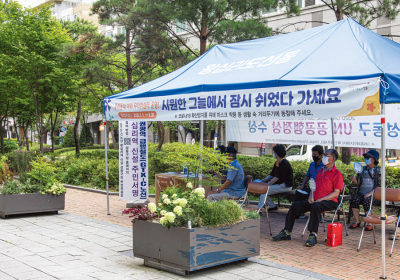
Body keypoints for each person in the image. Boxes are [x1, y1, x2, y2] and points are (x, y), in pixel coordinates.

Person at [272, 149, 343, 247]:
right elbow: (312, 187)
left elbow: (336, 193)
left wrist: (320, 200)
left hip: (329, 201)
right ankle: (286, 232)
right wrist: (311, 196)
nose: (324, 157)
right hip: (315, 200)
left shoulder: (337, 174)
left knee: (315, 206)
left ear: (333, 158)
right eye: (324, 155)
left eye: (327, 155)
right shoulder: (320, 171)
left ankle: (313, 234)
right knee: (295, 205)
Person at [349, 150, 381, 231]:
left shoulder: (379, 170)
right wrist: (354, 180)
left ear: (374, 159)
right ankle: (357, 221)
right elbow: (359, 184)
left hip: (375, 194)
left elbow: (380, 186)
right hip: (362, 192)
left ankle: (370, 223)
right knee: (354, 200)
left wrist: (371, 193)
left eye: (368, 157)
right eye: (365, 157)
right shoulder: (362, 169)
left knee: (367, 201)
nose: (365, 159)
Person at [257, 144, 294, 211]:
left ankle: (259, 209)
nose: (273, 153)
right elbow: (272, 175)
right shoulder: (277, 162)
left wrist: (267, 184)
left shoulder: (284, 163)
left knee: (264, 191)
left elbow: (277, 177)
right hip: (280, 185)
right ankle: (272, 206)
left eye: (274, 152)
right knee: (263, 191)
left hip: (286, 186)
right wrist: (263, 180)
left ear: (277, 153)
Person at [295, 145, 325, 218]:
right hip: (311, 188)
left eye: (315, 155)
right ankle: (300, 212)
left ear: (320, 155)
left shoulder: (325, 165)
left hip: (320, 189)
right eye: (312, 155)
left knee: (317, 196)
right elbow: (307, 176)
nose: (313, 156)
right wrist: (302, 185)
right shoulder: (312, 164)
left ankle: (319, 216)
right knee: (299, 192)